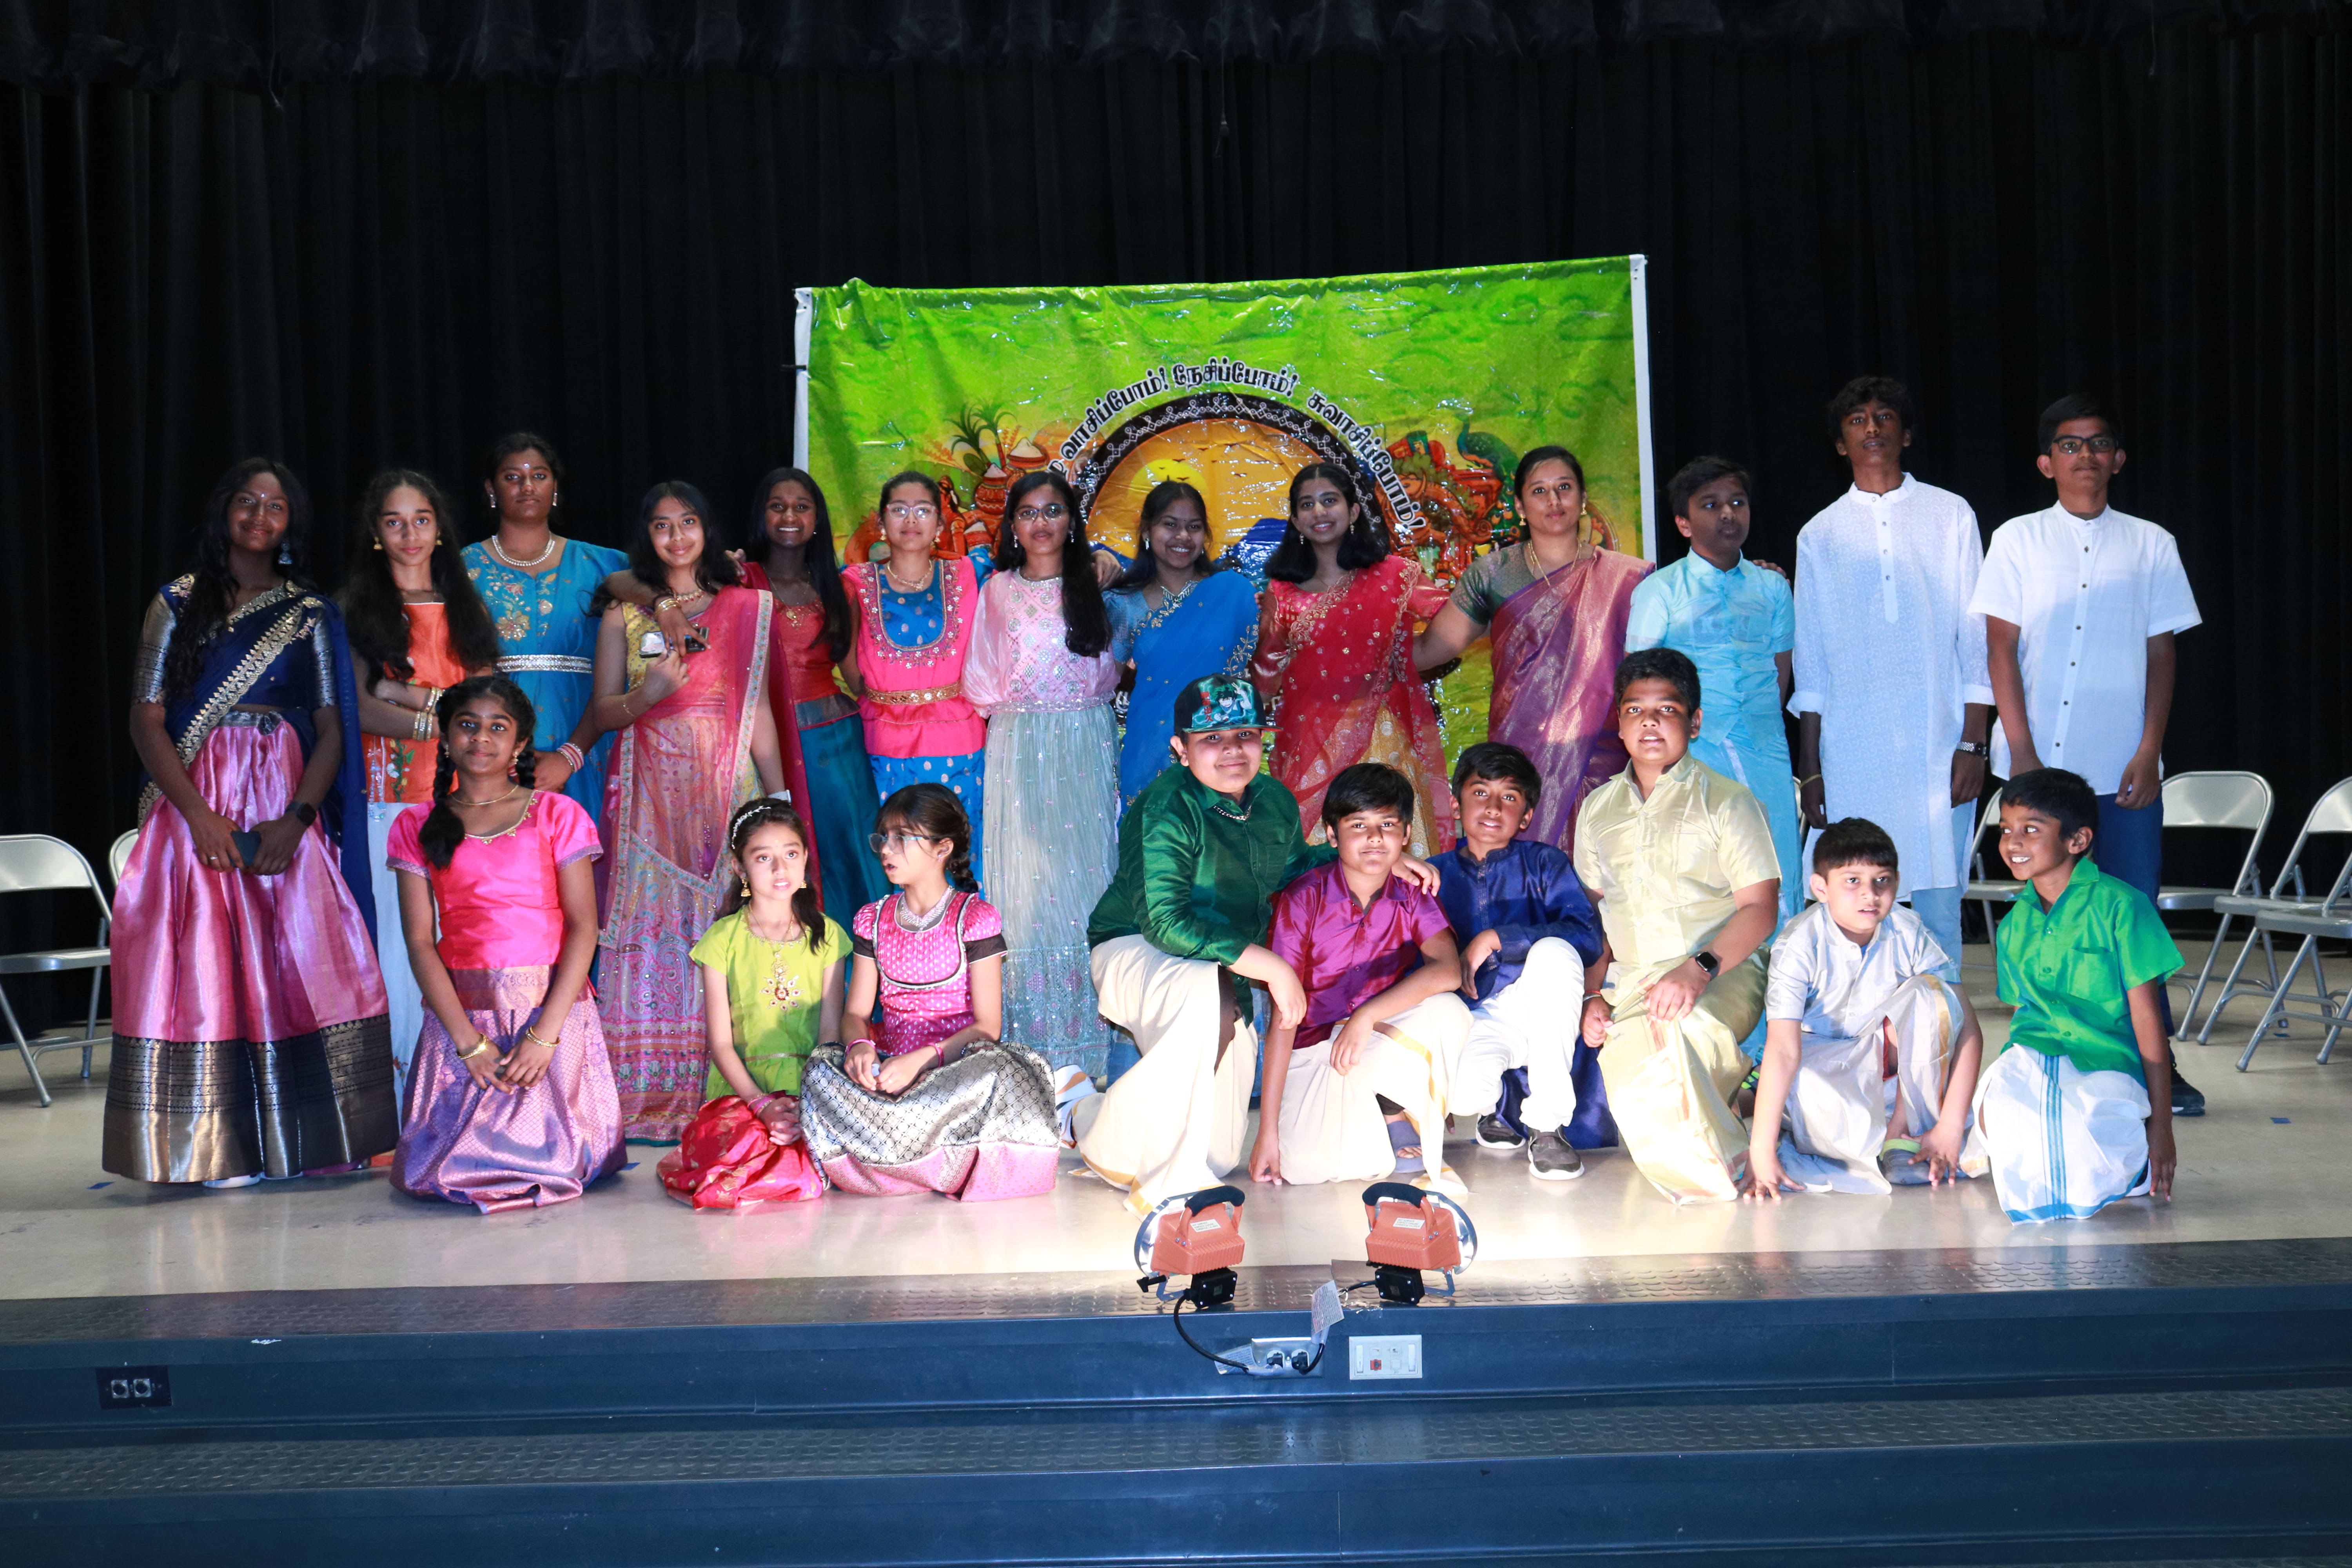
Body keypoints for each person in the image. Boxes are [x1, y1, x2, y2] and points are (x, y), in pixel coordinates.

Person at [107, 458, 397, 1187]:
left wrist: (298, 820)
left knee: (293, 957)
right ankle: (210, 1145)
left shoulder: (310, 612)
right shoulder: (175, 602)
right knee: (199, 965)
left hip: (280, 796)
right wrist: (199, 817)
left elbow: (333, 727)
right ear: (224, 512)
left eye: (276, 506)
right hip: (194, 798)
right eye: (247, 501)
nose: (260, 516)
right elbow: (146, 720)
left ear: (291, 523)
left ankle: (301, 1138)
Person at [1075, 676, 1444, 1214]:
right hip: (1135, 949)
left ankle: (1083, 1116)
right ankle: (1170, 1184)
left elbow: (1295, 867)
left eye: (1245, 735)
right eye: (1212, 739)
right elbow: (1166, 922)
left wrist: (1379, 857)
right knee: (1206, 994)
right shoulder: (1166, 807)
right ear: (1180, 748)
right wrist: (1272, 967)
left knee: (1220, 1153)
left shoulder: (1272, 799)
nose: (1232, 750)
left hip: (1225, 969)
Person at [1973, 395, 2206, 1112]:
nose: (2086, 456)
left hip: (2121, 763)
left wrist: (2149, 748)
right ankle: (2053, 1047)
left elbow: (2162, 653)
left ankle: (2156, 1063)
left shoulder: (2151, 543)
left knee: (2132, 911)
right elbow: (2001, 650)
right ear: (2047, 463)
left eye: (2099, 444)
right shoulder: (2016, 539)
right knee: (2046, 914)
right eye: (2070, 446)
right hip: (2038, 763)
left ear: (2119, 459)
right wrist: (2021, 752)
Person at [588, 481, 785, 1140]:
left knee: (730, 919)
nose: (677, 537)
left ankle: (734, 1087)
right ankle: (648, 1092)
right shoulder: (624, 613)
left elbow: (756, 710)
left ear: (708, 530)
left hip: (727, 784)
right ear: (646, 536)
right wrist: (651, 694)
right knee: (652, 923)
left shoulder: (745, 606)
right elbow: (604, 711)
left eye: (689, 522)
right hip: (647, 788)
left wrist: (778, 804)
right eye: (663, 525)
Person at [388, 676, 624, 1211]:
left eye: (498, 728)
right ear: (446, 736)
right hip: (463, 1019)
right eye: (468, 725)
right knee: (440, 1169)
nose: (481, 738)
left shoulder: (557, 814)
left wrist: (544, 1036)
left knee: (565, 1158)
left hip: (552, 1014)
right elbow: (420, 941)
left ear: (520, 744)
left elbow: (584, 927)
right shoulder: (416, 824)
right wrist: (467, 1043)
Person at [1791, 379, 1994, 980]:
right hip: (1853, 750)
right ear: (1840, 444)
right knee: (1854, 903)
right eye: (1857, 420)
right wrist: (1812, 767)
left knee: (1938, 908)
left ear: (1906, 435)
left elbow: (1975, 634)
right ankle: (1860, 1027)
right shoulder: (1820, 534)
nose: (1872, 428)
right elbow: (1812, 658)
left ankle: (1940, 1022)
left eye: (1884, 417)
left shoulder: (1950, 514)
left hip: (1938, 743)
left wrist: (1973, 743)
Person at [1575, 649, 1780, 1205]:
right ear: (1619, 724)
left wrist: (1698, 969)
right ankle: (1730, 1144)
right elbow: (1592, 917)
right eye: (1635, 710)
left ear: (1695, 722)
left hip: (1723, 971)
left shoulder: (1729, 801)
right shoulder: (1597, 810)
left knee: (1680, 1033)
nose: (1649, 722)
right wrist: (1592, 995)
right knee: (1633, 1044)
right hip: (1631, 980)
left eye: (1666, 709)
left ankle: (1712, 1172)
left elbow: (1761, 908)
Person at [797, 784, 1061, 1200]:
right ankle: (927, 1161)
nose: (887, 849)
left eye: (903, 838)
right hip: (890, 1073)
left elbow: (988, 1027)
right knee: (819, 1069)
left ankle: (896, 1162)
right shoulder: (872, 919)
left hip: (955, 1077)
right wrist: (861, 1048)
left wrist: (923, 1061)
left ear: (943, 848)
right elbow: (856, 1014)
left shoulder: (975, 918)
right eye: (884, 837)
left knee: (998, 1070)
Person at [339, 469, 500, 1100]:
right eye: (394, 522)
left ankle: (469, 1092)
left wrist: (412, 696)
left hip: (470, 801)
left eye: (422, 520)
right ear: (376, 534)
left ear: (439, 530)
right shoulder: (356, 610)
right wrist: (446, 715)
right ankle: (410, 1098)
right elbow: (360, 708)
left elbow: (488, 707)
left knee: (467, 940)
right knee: (402, 948)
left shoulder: (465, 606)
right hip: (392, 801)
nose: (410, 534)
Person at [1414, 445, 1653, 853]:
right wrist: (1356, 639)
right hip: (1520, 754)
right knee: (1522, 873)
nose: (1554, 500)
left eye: (1565, 488)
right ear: (1521, 507)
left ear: (1582, 498)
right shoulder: (1493, 575)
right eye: (1539, 491)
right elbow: (1433, 648)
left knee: (1605, 871)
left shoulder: (1628, 577)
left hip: (1603, 757)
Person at [962, 469, 1122, 1080]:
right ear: (1012, 526)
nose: (1041, 523)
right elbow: (981, 676)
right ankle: (1033, 1050)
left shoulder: (1099, 583)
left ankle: (1094, 1049)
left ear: (1073, 521)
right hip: (1019, 745)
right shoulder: (998, 590)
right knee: (1025, 889)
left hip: (1085, 742)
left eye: (1053, 510)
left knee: (1088, 878)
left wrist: (1109, 563)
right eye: (1028, 513)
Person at [1970, 767, 2180, 1221]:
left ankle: (2130, 1164)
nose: (2012, 842)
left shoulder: (2123, 906)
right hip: (2034, 1054)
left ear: (2078, 840)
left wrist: (2162, 1126)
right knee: (1996, 1107)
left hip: (2107, 1061)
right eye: (2005, 830)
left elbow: (2148, 1022)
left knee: (2080, 1138)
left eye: (2031, 829)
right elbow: (2023, 1016)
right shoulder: (2013, 924)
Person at [1251, 764, 1472, 1195]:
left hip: (1374, 1036)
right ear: (1332, 836)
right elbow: (1283, 1017)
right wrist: (1267, 1131)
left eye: (1387, 825)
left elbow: (1448, 970)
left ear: (1405, 834)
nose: (1374, 838)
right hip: (1313, 1048)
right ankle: (1371, 1116)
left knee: (1448, 1011)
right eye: (1358, 826)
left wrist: (1367, 1016)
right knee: (1302, 1167)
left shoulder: (1412, 894)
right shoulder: (1303, 899)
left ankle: (1393, 1107)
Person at [1744, 818, 1986, 1199]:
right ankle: (1778, 1108)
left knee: (1932, 994)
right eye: (1852, 881)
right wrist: (1761, 1150)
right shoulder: (1798, 944)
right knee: (1816, 1101)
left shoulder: (1909, 930)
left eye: (1882, 881)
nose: (1870, 895)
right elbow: (1784, 1049)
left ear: (1897, 883)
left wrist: (1951, 1127)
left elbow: (1967, 1028)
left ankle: (1903, 1135)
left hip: (1887, 1061)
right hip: (1820, 1062)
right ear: (1820, 888)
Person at [1626, 457, 1801, 922]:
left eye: (1737, 503)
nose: (1728, 514)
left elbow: (1780, 672)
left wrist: (1762, 726)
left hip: (1765, 744)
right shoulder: (1660, 591)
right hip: (1695, 750)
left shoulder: (1773, 588)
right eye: (1710, 505)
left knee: (1778, 862)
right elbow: (1637, 682)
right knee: (1708, 873)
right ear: (1683, 523)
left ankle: (1784, 967)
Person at [1252, 463, 1455, 856]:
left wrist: (1402, 652)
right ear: (1295, 520)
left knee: (1389, 855)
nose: (1319, 512)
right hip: (1310, 745)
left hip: (1382, 739)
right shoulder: (1283, 592)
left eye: (1330, 501)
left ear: (1354, 511)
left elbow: (1454, 618)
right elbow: (1266, 673)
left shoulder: (1395, 575)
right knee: (1318, 863)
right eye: (1307, 504)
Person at [1432, 742, 1608, 1181]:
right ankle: (1495, 1104)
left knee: (1555, 951)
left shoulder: (1545, 863)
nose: (1493, 807)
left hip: (1543, 1006)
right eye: (1480, 793)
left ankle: (1547, 1128)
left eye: (1509, 797)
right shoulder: (1433, 875)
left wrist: (1499, 939)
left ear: (1526, 816)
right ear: (1456, 805)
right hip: (1476, 1016)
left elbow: (1586, 936)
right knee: (1464, 1095)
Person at [657, 800, 846, 1210]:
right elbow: (721, 1045)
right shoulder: (722, 940)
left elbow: (831, 1035)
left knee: (814, 1148)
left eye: (791, 854)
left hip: (812, 1087)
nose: (781, 869)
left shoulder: (829, 936)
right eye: (764, 858)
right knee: (746, 1146)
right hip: (742, 1093)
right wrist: (762, 1105)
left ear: (805, 858)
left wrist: (808, 1103)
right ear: (740, 868)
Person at [739, 468, 890, 927]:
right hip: (764, 742)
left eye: (802, 507)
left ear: (818, 519)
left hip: (834, 745)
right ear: (761, 515)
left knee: (848, 853)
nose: (790, 516)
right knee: (780, 854)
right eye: (778, 506)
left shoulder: (839, 588)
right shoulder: (739, 581)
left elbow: (856, 677)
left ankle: (861, 961)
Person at [463, 432, 628, 816]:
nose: (527, 486)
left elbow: (670, 582)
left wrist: (571, 756)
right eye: (512, 477)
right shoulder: (461, 569)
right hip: (493, 744)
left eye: (539, 476)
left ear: (555, 487)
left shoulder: (604, 564)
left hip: (591, 741)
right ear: (491, 489)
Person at [842, 472, 989, 884]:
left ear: (940, 524)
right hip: (883, 743)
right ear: (881, 522)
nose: (911, 520)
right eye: (899, 510)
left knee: (956, 853)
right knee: (894, 857)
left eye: (923, 511)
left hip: (958, 743)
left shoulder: (968, 575)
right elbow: (846, 657)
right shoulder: (855, 582)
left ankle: (963, 925)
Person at [1104, 480, 1259, 809]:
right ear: (1147, 531)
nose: (1183, 537)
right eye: (1170, 525)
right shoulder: (1123, 603)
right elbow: (1104, 685)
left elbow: (1244, 678)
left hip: (1219, 752)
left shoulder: (1233, 594)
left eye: (1194, 527)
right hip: (1147, 749)